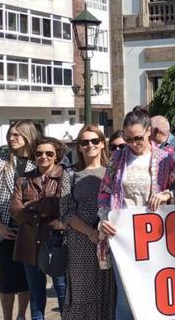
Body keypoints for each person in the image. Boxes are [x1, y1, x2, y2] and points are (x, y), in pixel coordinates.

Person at [98, 106, 175, 320]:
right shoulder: (117, 159)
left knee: (155, 292)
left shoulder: (165, 158)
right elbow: (105, 193)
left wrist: (166, 195)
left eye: (138, 138)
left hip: (156, 238)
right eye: (128, 139)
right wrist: (103, 218)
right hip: (123, 237)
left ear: (149, 133)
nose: (133, 144)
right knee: (126, 296)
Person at [60, 126, 115, 320]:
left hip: (109, 241)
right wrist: (91, 233)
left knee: (109, 291)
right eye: (84, 142)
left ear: (102, 144)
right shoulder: (70, 174)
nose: (90, 145)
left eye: (94, 141)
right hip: (81, 243)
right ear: (79, 147)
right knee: (82, 292)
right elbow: (66, 212)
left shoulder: (113, 171)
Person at [10, 137, 67, 320]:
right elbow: (15, 210)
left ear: (56, 155)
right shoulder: (23, 180)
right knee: (35, 292)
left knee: (62, 289)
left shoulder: (65, 176)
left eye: (49, 153)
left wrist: (31, 206)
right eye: (39, 153)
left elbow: (59, 205)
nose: (44, 157)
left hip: (56, 240)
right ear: (34, 156)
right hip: (30, 241)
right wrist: (40, 210)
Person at [0, 120, 37, 320]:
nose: (11, 138)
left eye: (16, 135)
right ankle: (7, 317)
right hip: (5, 229)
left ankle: (21, 316)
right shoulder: (1, 162)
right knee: (7, 280)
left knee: (26, 278)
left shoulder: (37, 161)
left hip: (30, 231)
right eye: (10, 135)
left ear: (28, 136)